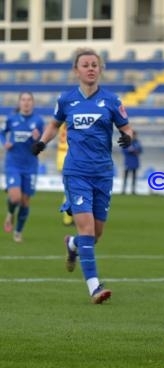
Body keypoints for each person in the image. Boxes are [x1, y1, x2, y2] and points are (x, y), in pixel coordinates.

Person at [31, 47, 134, 304]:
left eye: (94, 64)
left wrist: (128, 137)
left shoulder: (112, 100)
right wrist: (43, 142)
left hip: (103, 173)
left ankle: (72, 245)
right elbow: (54, 124)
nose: (90, 68)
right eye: (85, 64)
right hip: (76, 171)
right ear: (76, 70)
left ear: (100, 70)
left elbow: (126, 127)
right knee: (87, 228)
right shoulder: (66, 100)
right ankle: (94, 287)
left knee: (95, 234)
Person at [1, 92, 44, 242]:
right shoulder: (11, 119)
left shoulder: (38, 121)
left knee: (25, 201)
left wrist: (37, 139)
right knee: (15, 197)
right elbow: (2, 132)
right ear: (19, 103)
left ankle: (18, 231)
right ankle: (10, 213)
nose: (26, 103)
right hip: (13, 163)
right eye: (23, 100)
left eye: (29, 100)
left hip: (30, 165)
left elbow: (41, 144)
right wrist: (4, 142)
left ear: (33, 103)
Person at [56, 124, 74, 226]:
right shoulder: (71, 120)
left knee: (70, 189)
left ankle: (70, 217)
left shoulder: (62, 122)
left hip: (61, 156)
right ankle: (68, 218)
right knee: (70, 189)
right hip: (68, 156)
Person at [121, 130, 142, 195]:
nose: (134, 136)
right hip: (128, 162)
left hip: (135, 162)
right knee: (126, 177)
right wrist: (131, 150)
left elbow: (140, 150)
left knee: (134, 177)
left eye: (135, 135)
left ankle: (133, 190)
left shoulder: (137, 142)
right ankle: (123, 190)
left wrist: (133, 150)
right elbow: (124, 150)